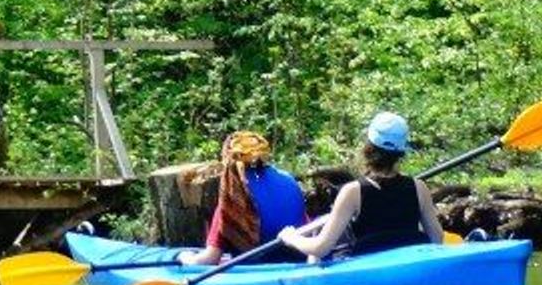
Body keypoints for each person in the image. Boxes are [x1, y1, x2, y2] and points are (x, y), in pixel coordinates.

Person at [276, 111, 443, 261]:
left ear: (368, 147)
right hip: (409, 271)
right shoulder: (419, 187)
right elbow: (437, 239)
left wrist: (291, 238)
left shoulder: (352, 192)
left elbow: (320, 248)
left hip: (370, 278)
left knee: (316, 258)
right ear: (401, 152)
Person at [181, 130, 307, 265]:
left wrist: (184, 257)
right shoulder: (288, 180)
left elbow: (209, 259)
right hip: (298, 261)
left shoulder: (234, 198)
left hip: (258, 272)